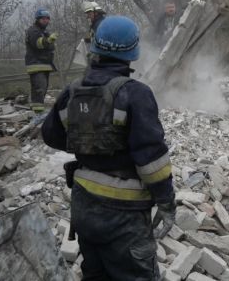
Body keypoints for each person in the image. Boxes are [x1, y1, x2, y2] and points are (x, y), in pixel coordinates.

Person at [41, 16, 176, 281]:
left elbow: (51, 135)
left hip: (84, 208)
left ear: (96, 48)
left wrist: (88, 141)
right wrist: (166, 202)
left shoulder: (73, 91)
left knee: (95, 275)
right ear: (133, 52)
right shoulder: (135, 93)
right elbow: (152, 161)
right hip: (125, 216)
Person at [25, 8, 57, 113]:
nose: (46, 21)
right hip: (36, 65)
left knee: (42, 89)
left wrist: (49, 42)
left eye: (47, 19)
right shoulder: (33, 31)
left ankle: (36, 112)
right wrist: (48, 40)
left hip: (44, 65)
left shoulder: (44, 32)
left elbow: (51, 47)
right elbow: (38, 44)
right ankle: (38, 114)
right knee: (39, 89)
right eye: (43, 19)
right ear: (37, 19)